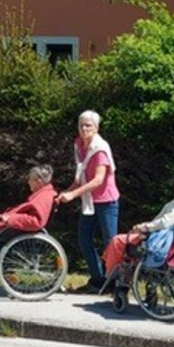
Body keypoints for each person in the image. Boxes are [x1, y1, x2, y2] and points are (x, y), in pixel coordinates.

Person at [102, 166, 174, 277]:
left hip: (161, 240)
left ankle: (112, 278)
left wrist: (145, 227)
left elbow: (166, 222)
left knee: (117, 241)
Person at [58, 110, 120, 291]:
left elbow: (99, 180)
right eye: (81, 125)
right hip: (90, 201)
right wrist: (66, 192)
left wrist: (73, 194)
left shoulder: (100, 148)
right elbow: (81, 176)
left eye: (88, 125)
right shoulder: (79, 145)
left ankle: (115, 282)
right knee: (84, 238)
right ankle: (98, 279)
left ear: (96, 128)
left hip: (106, 200)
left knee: (111, 242)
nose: (84, 128)